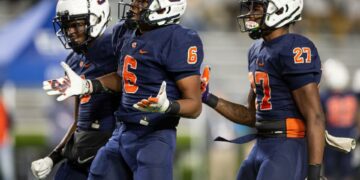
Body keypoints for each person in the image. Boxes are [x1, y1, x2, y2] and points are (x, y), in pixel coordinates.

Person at [46, 0, 203, 179]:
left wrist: (168, 106)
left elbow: (195, 106)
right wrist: (88, 85)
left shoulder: (178, 39)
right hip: (122, 132)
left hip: (154, 136)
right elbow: (123, 78)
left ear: (165, 7)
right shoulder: (125, 31)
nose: (133, 4)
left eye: (142, 1)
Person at [202, 0, 325, 179]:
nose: (251, 14)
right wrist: (208, 97)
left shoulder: (293, 48)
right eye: (250, 7)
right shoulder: (256, 50)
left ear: (283, 9)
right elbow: (250, 116)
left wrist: (314, 174)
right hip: (261, 144)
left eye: (257, 8)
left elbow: (315, 116)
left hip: (287, 146)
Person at [30, 0, 125, 179]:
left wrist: (89, 85)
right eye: (66, 26)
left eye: (77, 24)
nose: (70, 31)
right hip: (80, 156)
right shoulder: (74, 59)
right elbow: (79, 122)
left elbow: (129, 82)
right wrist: (53, 157)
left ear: (98, 18)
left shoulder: (115, 47)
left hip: (111, 154)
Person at [321, 59, 358, 180]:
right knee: (344, 170)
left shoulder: (326, 97)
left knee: (336, 170)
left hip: (334, 136)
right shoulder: (352, 95)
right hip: (345, 136)